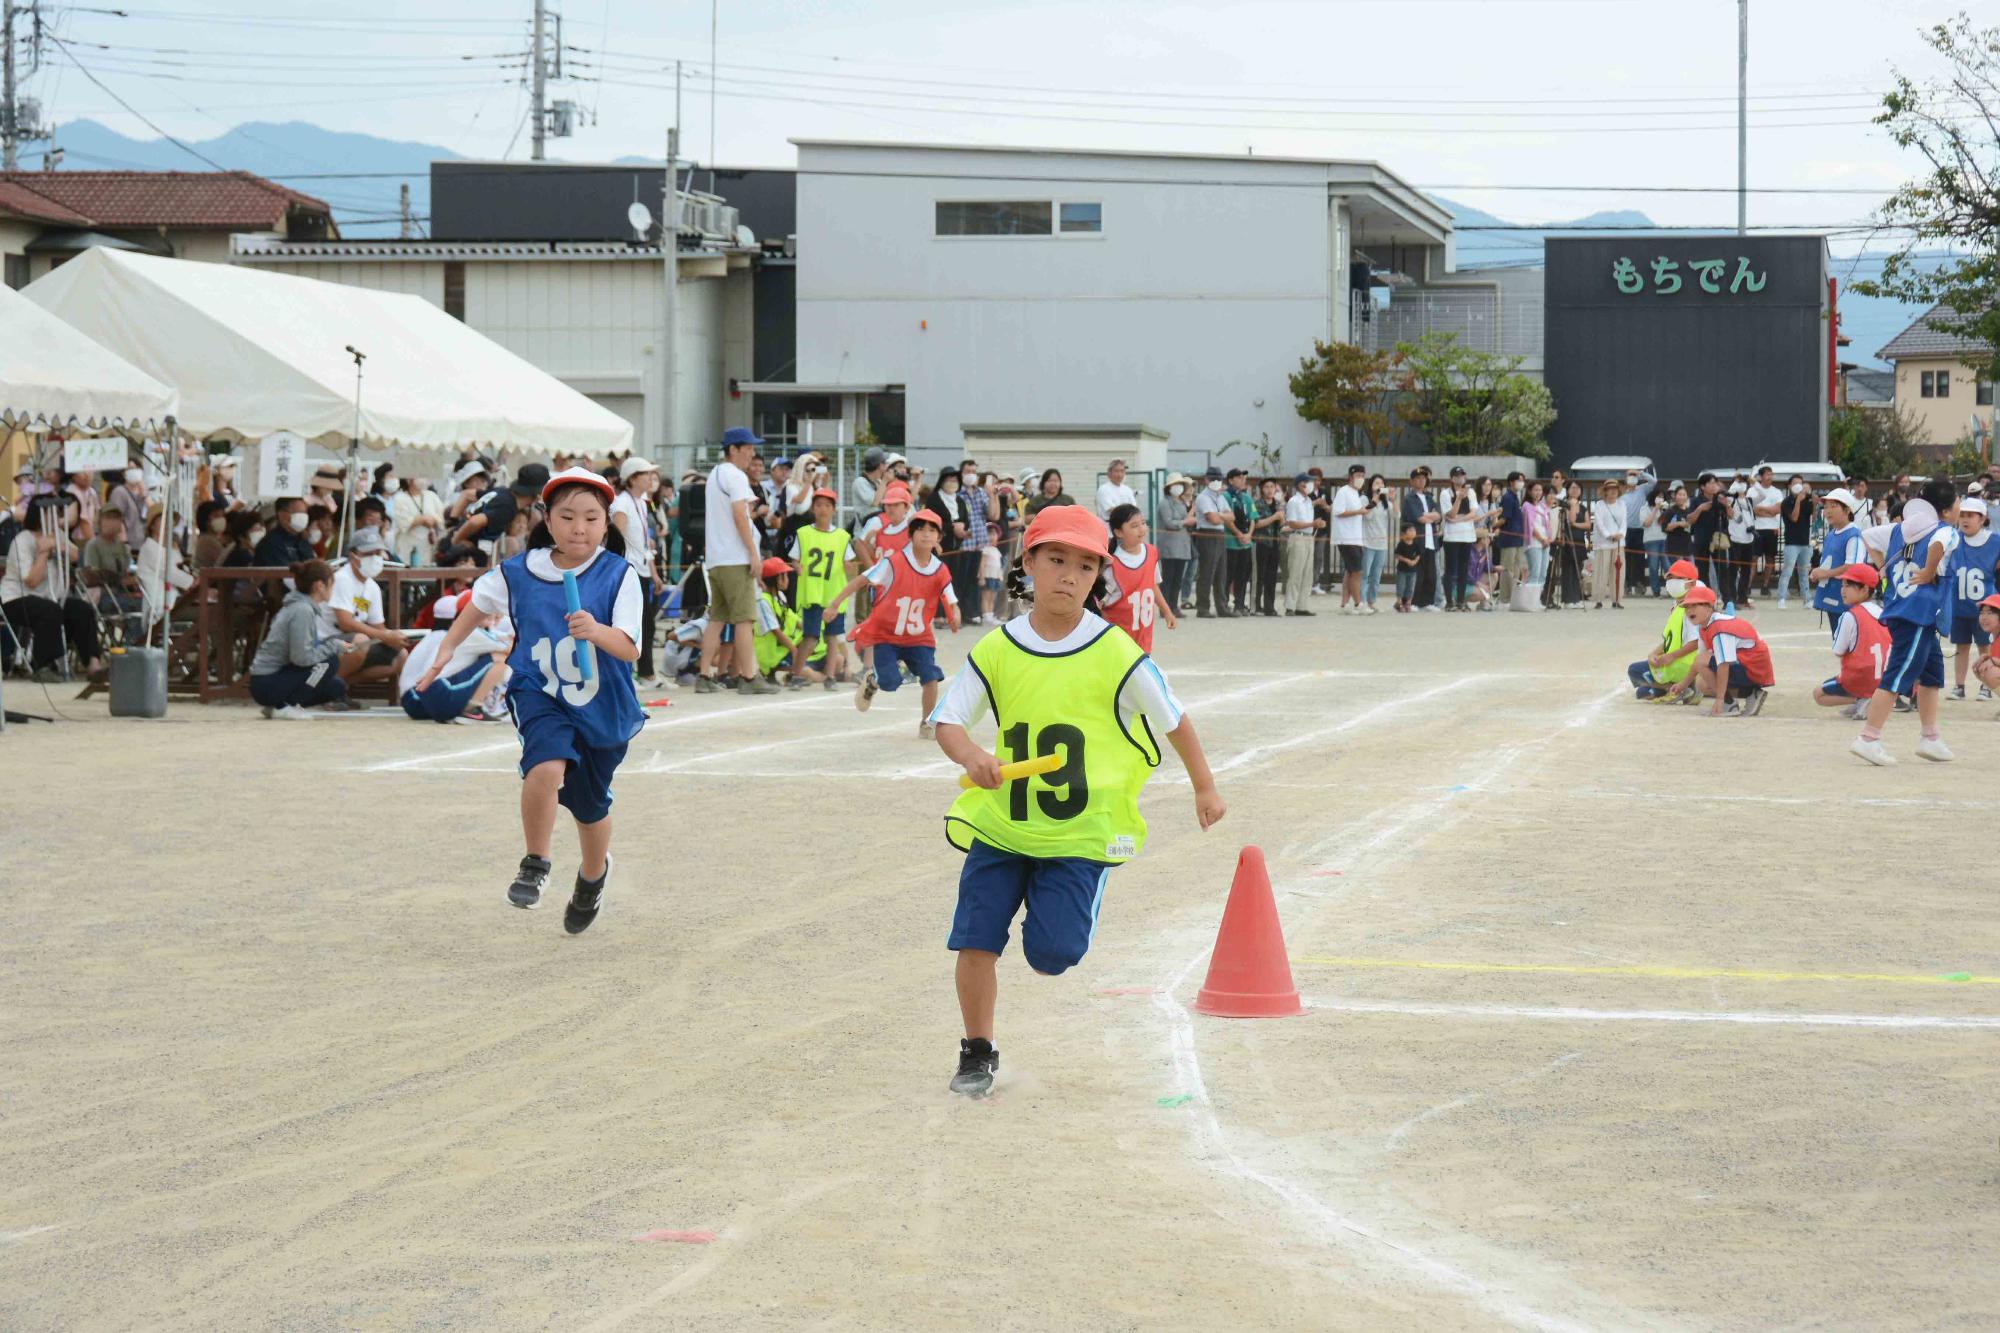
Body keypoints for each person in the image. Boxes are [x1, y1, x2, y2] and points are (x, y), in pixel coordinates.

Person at [929, 503, 1225, 1097]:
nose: (1068, 575)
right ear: (1028, 564)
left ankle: (1077, 893)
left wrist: (1205, 785)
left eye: (1084, 566)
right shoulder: (997, 648)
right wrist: (971, 758)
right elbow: (948, 720)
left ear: (1097, 577)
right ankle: (976, 1051)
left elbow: (1174, 719)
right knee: (975, 939)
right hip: (1002, 826)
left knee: (1052, 954)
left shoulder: (1116, 652)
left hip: (1078, 834)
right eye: (1056, 559)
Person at [420, 467, 644, 931]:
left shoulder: (619, 575)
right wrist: (446, 650)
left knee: (590, 807)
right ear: (547, 517)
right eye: (566, 516)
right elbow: (477, 606)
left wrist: (596, 631)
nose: (578, 528)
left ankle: (592, 875)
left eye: (590, 518)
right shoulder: (519, 571)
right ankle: (536, 862)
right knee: (545, 764)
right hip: (539, 690)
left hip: (602, 703)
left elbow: (630, 647)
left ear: (607, 523)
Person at [1853, 480, 1960, 766]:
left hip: (1907, 610)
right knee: (1898, 676)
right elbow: (1939, 543)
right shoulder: (1947, 530)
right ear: (1947, 510)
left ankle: (1930, 737)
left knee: (1932, 674)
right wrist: (1927, 571)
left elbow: (1867, 535)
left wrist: (1883, 570)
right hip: (1916, 613)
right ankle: (1869, 738)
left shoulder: (1898, 530)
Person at [826, 508, 960, 734]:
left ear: (939, 537)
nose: (926, 535)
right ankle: (873, 680)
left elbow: (950, 598)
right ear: (911, 534)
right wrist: (835, 603)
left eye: (932, 530)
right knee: (890, 682)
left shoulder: (940, 569)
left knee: (930, 677)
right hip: (887, 635)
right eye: (920, 530)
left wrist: (954, 614)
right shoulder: (893, 562)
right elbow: (861, 580)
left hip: (919, 637)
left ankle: (927, 723)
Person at [697, 427, 773, 696]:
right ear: (733, 449)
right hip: (734, 558)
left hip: (716, 559)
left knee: (716, 619)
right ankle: (749, 677)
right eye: (748, 448)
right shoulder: (735, 476)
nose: (752, 454)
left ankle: (704, 675)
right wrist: (754, 553)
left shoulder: (715, 474)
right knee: (744, 620)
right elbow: (740, 516)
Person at [2, 497, 104, 680]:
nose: (55, 517)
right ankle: (42, 665)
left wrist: (59, 546)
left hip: (50, 596)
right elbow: (31, 581)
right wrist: (43, 552)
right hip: (17, 599)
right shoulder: (22, 541)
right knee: (50, 611)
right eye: (51, 513)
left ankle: (93, 664)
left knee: (82, 609)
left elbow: (75, 555)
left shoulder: (56, 534)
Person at [246, 559, 352, 717]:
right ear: (319, 586)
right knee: (331, 661)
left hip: (272, 679)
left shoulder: (300, 607)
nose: (333, 588)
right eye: (331, 583)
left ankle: (278, 705)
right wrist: (334, 646)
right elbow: (301, 657)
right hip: (266, 682)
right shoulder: (302, 611)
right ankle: (286, 706)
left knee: (336, 687)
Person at [325, 530, 413, 690]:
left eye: (377, 552)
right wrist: (385, 635)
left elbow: (379, 627)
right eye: (368, 553)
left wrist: (394, 638)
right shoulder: (342, 579)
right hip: (326, 642)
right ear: (353, 556)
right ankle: (327, 689)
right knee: (360, 642)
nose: (374, 557)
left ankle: (339, 686)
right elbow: (345, 623)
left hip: (351, 643)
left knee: (400, 655)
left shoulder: (372, 587)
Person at [398, 601, 511, 724]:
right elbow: (512, 649)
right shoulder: (472, 632)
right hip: (430, 694)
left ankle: (478, 708)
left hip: (423, 696)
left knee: (493, 658)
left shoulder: (446, 634)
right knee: (500, 660)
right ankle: (473, 709)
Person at [789, 486, 855, 687]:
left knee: (833, 636)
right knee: (810, 636)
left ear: (834, 510)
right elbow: (794, 559)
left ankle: (830, 676)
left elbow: (849, 563)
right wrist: (798, 568)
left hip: (833, 595)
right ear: (813, 509)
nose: (823, 509)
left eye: (827, 505)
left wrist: (849, 568)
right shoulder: (804, 534)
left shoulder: (842, 536)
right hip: (813, 594)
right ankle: (797, 673)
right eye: (818, 505)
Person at [611, 456, 664, 688]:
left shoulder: (642, 502)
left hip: (641, 568)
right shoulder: (621, 503)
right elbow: (617, 540)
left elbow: (643, 542)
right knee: (633, 623)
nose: (651, 478)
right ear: (632, 478)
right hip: (628, 570)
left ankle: (647, 672)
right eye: (646, 474)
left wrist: (653, 572)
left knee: (647, 623)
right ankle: (636, 674)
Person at [1681, 585, 1774, 717]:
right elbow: (1698, 662)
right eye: (1686, 607)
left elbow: (1723, 664)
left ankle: (1728, 704)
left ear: (1709, 607)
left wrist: (1720, 699)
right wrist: (1683, 685)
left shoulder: (1719, 627)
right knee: (1702, 684)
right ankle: (1751, 693)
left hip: (1753, 668)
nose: (1689, 610)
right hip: (1748, 666)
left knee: (1703, 664)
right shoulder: (1705, 626)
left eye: (1694, 606)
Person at [1811, 564, 1889, 720]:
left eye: (1849, 585)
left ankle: (1861, 699)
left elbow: (1838, 651)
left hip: (1859, 678)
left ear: (1865, 589)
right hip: (1884, 678)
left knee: (1818, 695)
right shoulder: (1883, 613)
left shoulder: (1850, 615)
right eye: (1843, 585)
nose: (1843, 590)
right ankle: (1868, 699)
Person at [1099, 502, 1178, 651]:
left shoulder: (1151, 553)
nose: (1142, 528)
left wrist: (1167, 612)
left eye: (1143, 523)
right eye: (1134, 526)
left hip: (1143, 637)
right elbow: (1100, 604)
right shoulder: (1112, 565)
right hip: (1118, 640)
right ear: (1119, 532)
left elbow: (1153, 586)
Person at [1945, 496, 2000, 701]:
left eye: (1971, 516)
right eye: (1962, 515)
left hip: (1985, 608)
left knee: (1985, 646)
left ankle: (1986, 686)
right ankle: (1959, 686)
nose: (1965, 520)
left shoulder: (1994, 541)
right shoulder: (1953, 538)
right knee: (1961, 646)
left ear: (1982, 518)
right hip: (1958, 603)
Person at [1630, 560, 1704, 701]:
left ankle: (1681, 688)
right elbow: (1669, 640)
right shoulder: (1677, 606)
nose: (1671, 582)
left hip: (1683, 664)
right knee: (1643, 692)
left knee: (1634, 671)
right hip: (1678, 662)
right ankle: (1680, 687)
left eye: (1677, 579)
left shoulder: (1691, 607)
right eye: (1670, 579)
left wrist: (1671, 656)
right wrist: (1654, 653)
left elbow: (1696, 642)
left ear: (1691, 583)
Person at [1808, 487, 1867, 636]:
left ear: (1848, 510)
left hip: (1846, 598)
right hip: (1832, 594)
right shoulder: (1831, 534)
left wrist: (1824, 573)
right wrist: (1818, 573)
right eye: (1826, 506)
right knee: (1838, 640)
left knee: (1848, 642)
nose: (1828, 511)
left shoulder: (1853, 535)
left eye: (1834, 506)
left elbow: (1853, 567)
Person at [1191, 466, 1230, 617]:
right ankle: (1203, 607)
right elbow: (1212, 519)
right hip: (1207, 534)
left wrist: (1219, 515)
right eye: (1213, 479)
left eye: (1219, 479)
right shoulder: (1203, 497)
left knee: (1221, 572)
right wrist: (1222, 516)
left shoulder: (1221, 497)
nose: (1216, 481)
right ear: (1206, 480)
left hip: (1220, 534)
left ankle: (1222, 606)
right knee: (1207, 572)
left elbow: (1232, 516)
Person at [1329, 463, 1369, 613]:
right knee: (1356, 571)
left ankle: (1345, 604)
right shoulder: (1343, 492)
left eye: (1363, 476)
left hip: (1356, 537)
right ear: (1351, 476)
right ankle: (1358, 603)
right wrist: (1358, 511)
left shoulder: (1356, 494)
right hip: (1346, 537)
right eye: (1358, 475)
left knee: (1350, 570)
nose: (1360, 478)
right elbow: (1338, 512)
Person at [1400, 468, 1441, 612]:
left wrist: (1428, 515)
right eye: (1417, 478)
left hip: (1431, 540)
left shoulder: (1429, 497)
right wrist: (1429, 516)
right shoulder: (1409, 499)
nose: (1421, 480)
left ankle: (1428, 602)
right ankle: (1413, 602)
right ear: (1411, 481)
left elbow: (1438, 515)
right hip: (1417, 541)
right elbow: (1419, 518)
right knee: (1417, 573)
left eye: (1423, 478)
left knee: (1431, 573)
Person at [1281, 474, 1322, 616]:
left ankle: (1302, 605)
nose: (1311, 485)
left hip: (1309, 537)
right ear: (1300, 484)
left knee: (1307, 573)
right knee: (1295, 572)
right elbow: (1292, 523)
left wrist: (1316, 525)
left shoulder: (1309, 501)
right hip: (1298, 537)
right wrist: (1312, 523)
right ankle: (1290, 606)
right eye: (1308, 482)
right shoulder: (1294, 501)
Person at [1156, 474, 1195, 614]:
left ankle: (1174, 606)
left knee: (1178, 579)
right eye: (1175, 484)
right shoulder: (1164, 503)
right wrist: (1185, 522)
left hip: (1182, 546)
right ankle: (1165, 608)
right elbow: (1169, 523)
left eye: (1180, 484)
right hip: (1169, 546)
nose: (1178, 487)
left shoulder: (1181, 503)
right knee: (1168, 578)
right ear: (1168, 487)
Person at [1221, 468, 1256, 615]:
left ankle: (1239, 605)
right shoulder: (1226, 496)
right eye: (1239, 477)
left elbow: (1253, 518)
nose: (1243, 480)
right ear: (1230, 480)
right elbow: (1226, 519)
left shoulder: (1246, 498)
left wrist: (1249, 534)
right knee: (1228, 575)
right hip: (1231, 542)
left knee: (1243, 575)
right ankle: (1224, 604)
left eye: (1244, 477)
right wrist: (1238, 533)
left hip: (1246, 543)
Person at [392, 474, 447, 568]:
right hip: (408, 548)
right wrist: (423, 519)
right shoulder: (399, 498)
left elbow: (442, 517)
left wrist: (433, 520)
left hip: (429, 547)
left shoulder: (431, 496)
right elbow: (403, 523)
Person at [1442, 472, 1478, 612]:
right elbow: (1450, 513)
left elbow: (1473, 513)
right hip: (1451, 537)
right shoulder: (1446, 493)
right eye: (1456, 476)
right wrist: (1458, 498)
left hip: (1467, 535)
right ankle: (1449, 602)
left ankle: (1461, 601)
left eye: (1462, 476)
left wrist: (1459, 519)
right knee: (1450, 570)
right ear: (1451, 478)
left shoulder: (1471, 492)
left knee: (1464, 569)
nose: (1459, 478)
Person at [1777, 476, 1816, 608]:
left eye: (1800, 483)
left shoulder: (1807, 500)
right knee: (1787, 571)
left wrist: (1814, 502)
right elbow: (1794, 518)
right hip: (1791, 542)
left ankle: (1807, 599)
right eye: (1795, 483)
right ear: (1789, 486)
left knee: (1804, 572)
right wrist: (1798, 501)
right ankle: (1781, 598)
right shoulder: (1786, 502)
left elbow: (1814, 518)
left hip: (1805, 542)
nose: (1798, 485)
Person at [855, 482, 914, 567]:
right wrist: (872, 572)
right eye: (888, 505)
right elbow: (862, 547)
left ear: (907, 507)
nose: (891, 508)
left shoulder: (913, 528)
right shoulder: (878, 524)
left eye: (896, 504)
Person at [1249, 476, 1285, 617]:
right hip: (1260, 543)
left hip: (1275, 543)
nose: (1270, 490)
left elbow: (1282, 524)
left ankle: (1270, 606)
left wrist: (1282, 519)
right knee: (1258, 576)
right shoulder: (1257, 504)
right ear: (1262, 489)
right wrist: (1275, 517)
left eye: (1272, 487)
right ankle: (1256, 606)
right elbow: (1257, 523)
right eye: (1266, 487)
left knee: (1271, 576)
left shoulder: (1278, 504)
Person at [1590, 479, 1627, 610]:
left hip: (1618, 543)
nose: (1612, 492)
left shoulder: (1622, 504)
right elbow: (1599, 523)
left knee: (1618, 572)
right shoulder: (1600, 505)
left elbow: (1624, 523)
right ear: (1605, 492)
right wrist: (1608, 535)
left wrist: (1620, 534)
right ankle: (1598, 599)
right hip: (1603, 543)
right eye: (1610, 489)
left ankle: (1616, 599)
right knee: (1601, 571)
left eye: (1615, 489)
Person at [1748, 465, 1785, 596]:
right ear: (1761, 476)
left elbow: (1778, 510)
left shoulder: (1777, 492)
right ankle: (1748, 586)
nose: (1770, 477)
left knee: (1770, 559)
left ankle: (1765, 585)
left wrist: (1762, 510)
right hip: (1756, 529)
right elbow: (1753, 510)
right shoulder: (1752, 491)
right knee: (1753, 558)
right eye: (1767, 474)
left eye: (1771, 474)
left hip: (1771, 529)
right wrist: (1769, 511)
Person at [106, 467, 148, 553]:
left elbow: (153, 511)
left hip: (143, 543)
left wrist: (145, 496)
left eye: (136, 467)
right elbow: (116, 518)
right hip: (128, 545)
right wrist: (124, 543)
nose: (134, 471)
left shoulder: (143, 492)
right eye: (130, 468)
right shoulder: (119, 492)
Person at [1393, 523, 1422, 612]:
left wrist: (1414, 561)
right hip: (1402, 570)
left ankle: (1408, 603)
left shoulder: (1416, 544)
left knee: (1411, 586)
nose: (1413, 532)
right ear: (1404, 533)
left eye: (1414, 530)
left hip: (1413, 570)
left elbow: (1418, 555)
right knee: (1401, 586)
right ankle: (1399, 602)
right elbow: (1397, 555)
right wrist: (1407, 560)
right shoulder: (1401, 544)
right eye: (1410, 531)